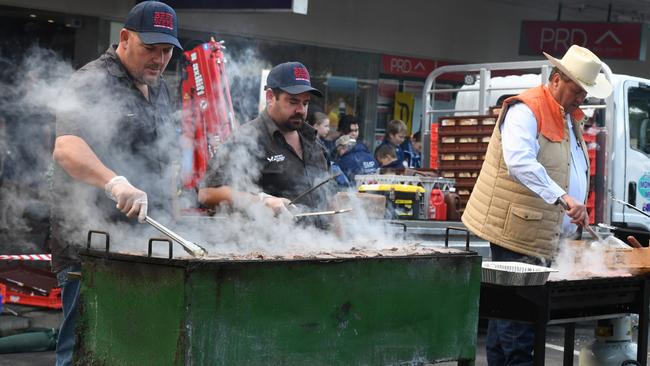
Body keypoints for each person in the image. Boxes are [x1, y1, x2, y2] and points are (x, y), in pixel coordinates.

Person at [461, 44, 613, 366]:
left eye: (585, 93)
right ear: (557, 79)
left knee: (509, 327)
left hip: (535, 231)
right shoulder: (526, 108)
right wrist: (564, 197)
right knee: (519, 329)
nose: (581, 98)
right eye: (577, 90)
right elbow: (519, 162)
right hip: (516, 229)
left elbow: (567, 166)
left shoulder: (568, 115)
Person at [49, 2, 182, 365]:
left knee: (134, 351)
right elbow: (66, 147)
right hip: (91, 249)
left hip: (146, 245)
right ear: (124, 38)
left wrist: (174, 214)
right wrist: (115, 182)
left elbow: (165, 159)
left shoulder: (160, 90)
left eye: (166, 50)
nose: (159, 59)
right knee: (83, 352)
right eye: (150, 48)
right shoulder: (92, 80)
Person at [197, 61, 332, 220]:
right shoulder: (246, 139)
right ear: (270, 97)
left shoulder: (313, 140)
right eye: (293, 101)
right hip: (265, 242)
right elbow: (206, 194)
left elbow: (330, 198)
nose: (301, 110)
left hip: (322, 242)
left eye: (305, 103)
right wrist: (260, 201)